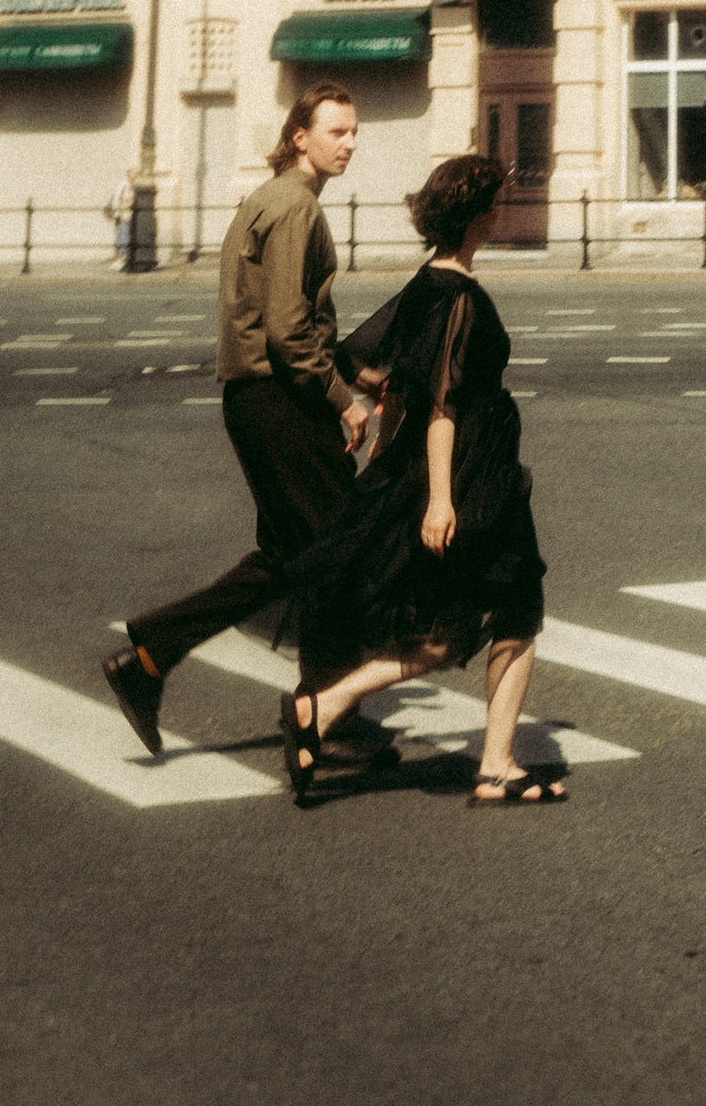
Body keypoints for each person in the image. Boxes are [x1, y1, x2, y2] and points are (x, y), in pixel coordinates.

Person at [279, 153, 558, 812]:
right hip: (469, 477)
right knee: (497, 612)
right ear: (479, 218)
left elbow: (367, 360)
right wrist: (439, 498)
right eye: (496, 203)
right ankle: (484, 763)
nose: (501, 212)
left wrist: (384, 403)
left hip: (457, 471)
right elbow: (445, 404)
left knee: (463, 625)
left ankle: (336, 712)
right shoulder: (460, 297)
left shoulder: (427, 283)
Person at [101, 85, 371, 758]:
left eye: (354, 132)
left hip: (261, 400)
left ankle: (150, 656)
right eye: (335, 131)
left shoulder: (275, 198)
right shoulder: (294, 207)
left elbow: (290, 318)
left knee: (288, 558)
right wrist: (344, 398)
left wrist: (349, 370)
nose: (349, 143)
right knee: (339, 551)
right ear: (299, 136)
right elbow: (286, 331)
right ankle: (325, 714)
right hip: (279, 401)